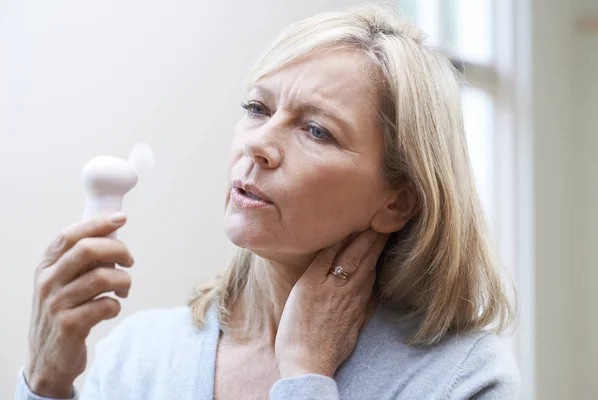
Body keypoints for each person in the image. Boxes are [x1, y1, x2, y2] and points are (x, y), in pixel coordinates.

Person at [16, 4, 519, 400]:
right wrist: (45, 379)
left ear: (397, 203)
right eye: (257, 108)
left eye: (316, 130)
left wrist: (306, 376)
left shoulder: (458, 379)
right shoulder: (138, 356)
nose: (258, 144)